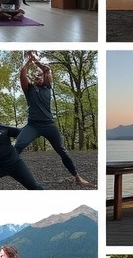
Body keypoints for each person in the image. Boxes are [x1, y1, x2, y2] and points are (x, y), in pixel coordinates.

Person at [14, 52, 90, 186]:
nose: (39, 77)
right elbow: (22, 74)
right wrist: (27, 62)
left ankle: (77, 177)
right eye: (37, 75)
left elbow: (47, 70)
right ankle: (5, 168)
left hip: (49, 125)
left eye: (41, 75)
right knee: (18, 145)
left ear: (44, 78)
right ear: (34, 78)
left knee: (62, 150)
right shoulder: (29, 89)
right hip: (33, 125)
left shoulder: (48, 87)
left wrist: (35, 61)